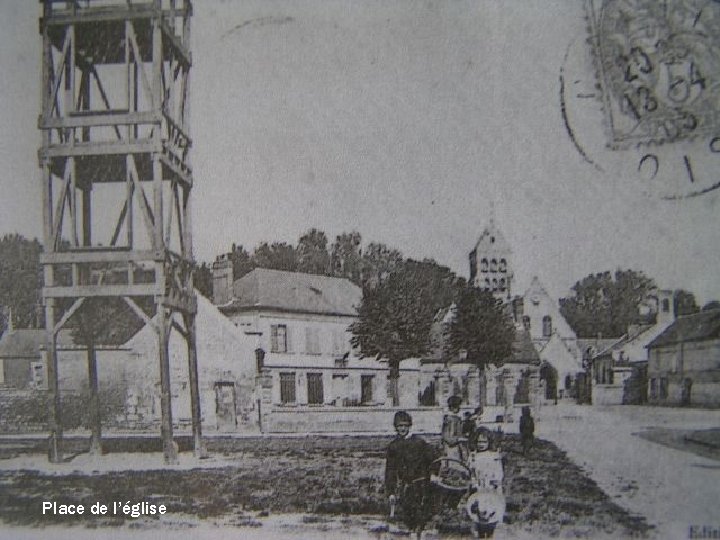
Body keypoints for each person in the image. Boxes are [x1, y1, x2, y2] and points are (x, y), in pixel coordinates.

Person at [385, 410, 437, 536]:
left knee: (421, 516)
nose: (402, 429)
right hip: (406, 486)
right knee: (408, 516)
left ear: (410, 426)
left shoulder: (419, 442)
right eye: (399, 426)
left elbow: (434, 458)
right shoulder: (393, 446)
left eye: (405, 426)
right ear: (395, 427)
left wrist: (434, 473)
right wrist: (391, 491)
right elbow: (390, 470)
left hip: (422, 485)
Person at [466, 430, 505, 538]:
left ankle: (490, 534)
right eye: (479, 442)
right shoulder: (473, 456)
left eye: (484, 442)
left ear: (489, 442)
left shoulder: (494, 455)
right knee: (479, 515)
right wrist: (473, 481)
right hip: (478, 487)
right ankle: (481, 534)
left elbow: (498, 471)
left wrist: (496, 480)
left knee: (491, 514)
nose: (481, 445)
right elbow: (471, 472)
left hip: (491, 487)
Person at [442, 395, 468, 462]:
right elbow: (446, 436)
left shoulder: (457, 419)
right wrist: (458, 439)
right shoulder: (448, 419)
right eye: (457, 406)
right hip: (451, 448)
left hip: (458, 447)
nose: (459, 408)